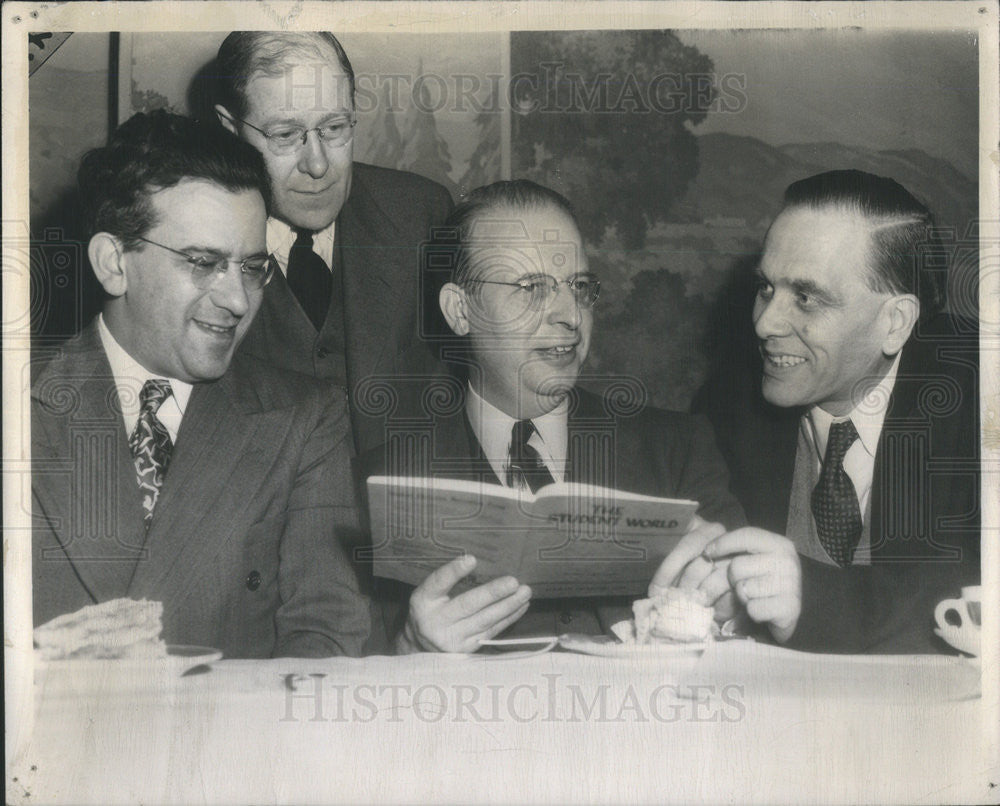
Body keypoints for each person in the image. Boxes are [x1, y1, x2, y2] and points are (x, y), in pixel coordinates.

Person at [31, 110, 370, 659]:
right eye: (204, 262)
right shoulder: (20, 406)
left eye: (252, 267)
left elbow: (324, 639)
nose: (238, 300)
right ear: (113, 262)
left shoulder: (305, 419)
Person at [357, 180, 746, 653]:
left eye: (579, 287)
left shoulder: (679, 452)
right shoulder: (385, 480)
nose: (570, 315)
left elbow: (743, 644)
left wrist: (729, 605)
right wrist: (411, 647)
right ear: (459, 311)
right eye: (532, 288)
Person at [655, 169, 980, 653]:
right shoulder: (728, 406)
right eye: (765, 288)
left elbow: (977, 589)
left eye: (805, 297)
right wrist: (715, 589)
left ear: (895, 323)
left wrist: (811, 598)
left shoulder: (982, 396)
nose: (765, 323)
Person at [212, 32, 454, 454]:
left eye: (335, 127)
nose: (319, 164)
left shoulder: (422, 216)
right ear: (230, 130)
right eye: (286, 135)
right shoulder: (189, 238)